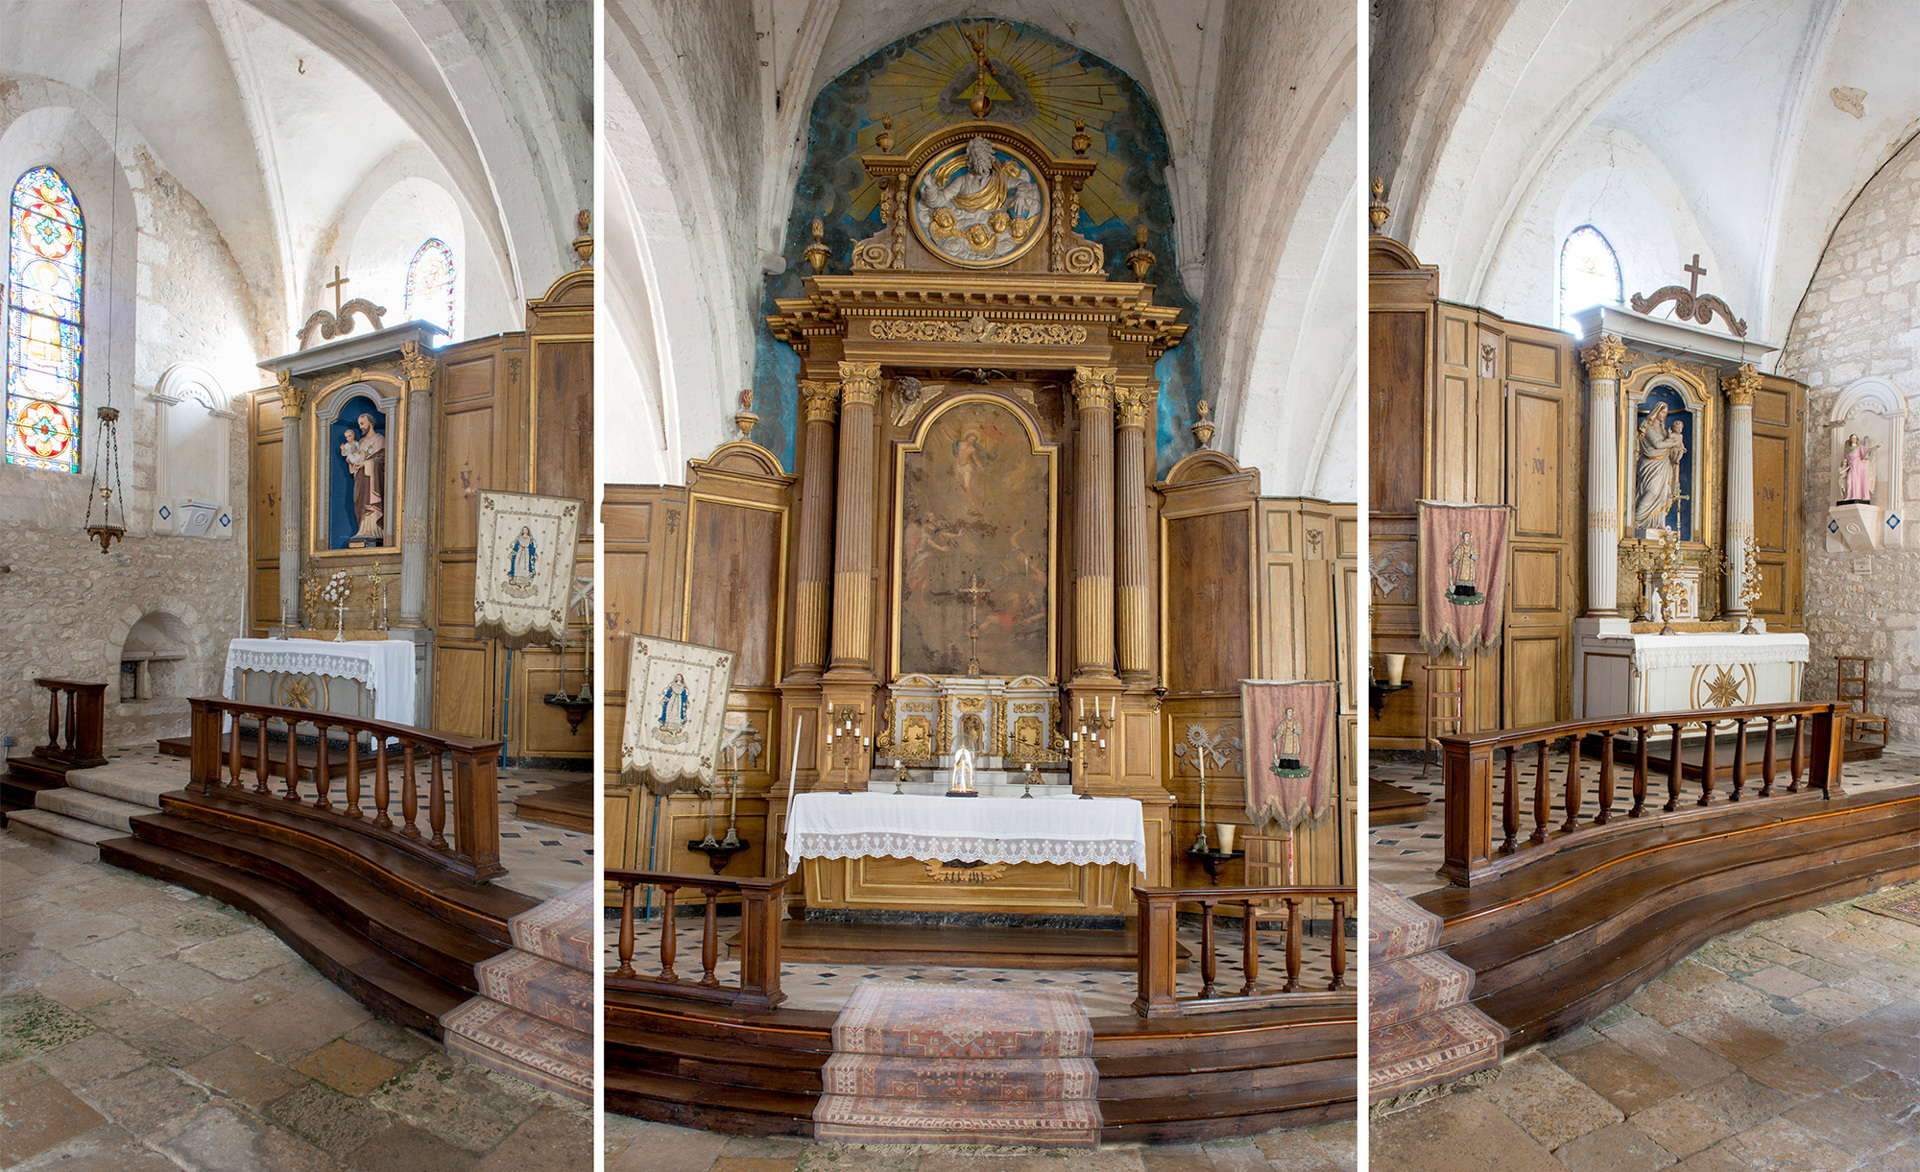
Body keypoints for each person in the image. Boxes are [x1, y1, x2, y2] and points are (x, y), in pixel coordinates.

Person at [1633, 403, 1686, 530]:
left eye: (1666, 413)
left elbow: (1669, 450)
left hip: (1664, 466)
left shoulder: (1664, 431)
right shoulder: (1648, 428)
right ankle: (1636, 520)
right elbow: (1657, 445)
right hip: (1650, 465)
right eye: (1662, 412)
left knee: (1663, 495)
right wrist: (1674, 443)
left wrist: (1676, 452)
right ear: (1656, 412)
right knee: (1652, 491)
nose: (1663, 415)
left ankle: (1658, 523)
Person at [347, 412, 386, 540]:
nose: (361, 427)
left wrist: (367, 464)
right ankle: (362, 529)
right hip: (360, 478)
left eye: (363, 424)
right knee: (360, 501)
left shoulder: (379, 439)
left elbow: (382, 460)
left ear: (371, 423)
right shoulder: (361, 442)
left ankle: (373, 529)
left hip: (372, 478)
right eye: (359, 425)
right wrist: (352, 462)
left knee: (370, 501)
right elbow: (356, 458)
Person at [1841, 433, 1876, 503]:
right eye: (1852, 438)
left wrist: (1875, 448)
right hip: (1851, 466)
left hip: (1859, 466)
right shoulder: (1847, 450)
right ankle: (1850, 496)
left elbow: (1865, 454)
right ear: (1850, 440)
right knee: (1850, 481)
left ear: (1857, 440)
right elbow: (1846, 459)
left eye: (1855, 438)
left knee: (1859, 480)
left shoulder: (1859, 447)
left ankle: (1860, 496)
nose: (1854, 439)